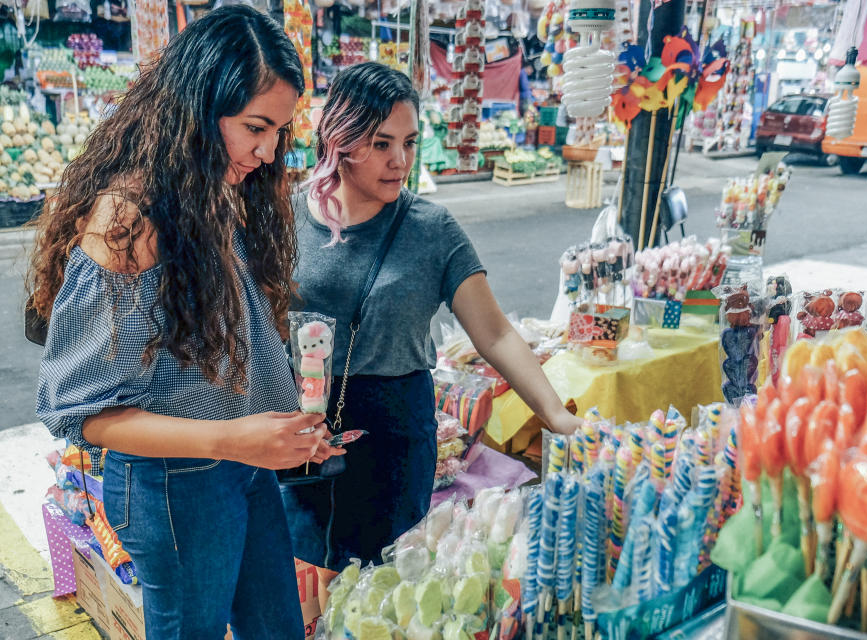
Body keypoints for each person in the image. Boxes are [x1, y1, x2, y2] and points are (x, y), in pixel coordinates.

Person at [27, 6, 342, 638]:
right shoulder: (131, 219)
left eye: (279, 129)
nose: (269, 149)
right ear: (197, 107)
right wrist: (234, 439)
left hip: (243, 471)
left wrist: (276, 427)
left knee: (277, 625)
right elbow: (83, 411)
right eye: (256, 126)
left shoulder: (219, 187)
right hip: (178, 487)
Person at [283, 61, 582, 600]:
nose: (400, 161)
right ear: (339, 140)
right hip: (301, 428)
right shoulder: (287, 218)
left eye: (409, 142)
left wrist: (556, 415)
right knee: (305, 573)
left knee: (384, 586)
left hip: (395, 430)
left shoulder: (431, 230)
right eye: (380, 143)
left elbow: (495, 335)